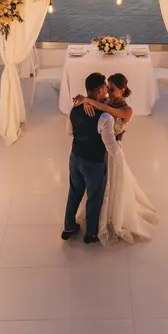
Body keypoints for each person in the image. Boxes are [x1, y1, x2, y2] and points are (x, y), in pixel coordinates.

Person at [72, 73, 158, 245]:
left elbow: (109, 112)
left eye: (112, 90)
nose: (108, 93)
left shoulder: (126, 110)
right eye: (107, 88)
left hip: (114, 153)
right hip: (99, 150)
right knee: (97, 187)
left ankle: (112, 217)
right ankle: (96, 216)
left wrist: (88, 100)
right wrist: (86, 101)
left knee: (113, 185)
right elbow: (100, 107)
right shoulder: (105, 101)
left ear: (122, 90)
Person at [62, 72, 119, 244]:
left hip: (75, 157)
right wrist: (119, 149)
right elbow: (111, 146)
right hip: (94, 162)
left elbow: (69, 131)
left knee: (74, 192)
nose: (108, 92)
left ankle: (68, 227)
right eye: (106, 89)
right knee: (95, 196)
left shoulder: (74, 108)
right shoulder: (105, 117)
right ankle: (91, 233)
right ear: (100, 90)